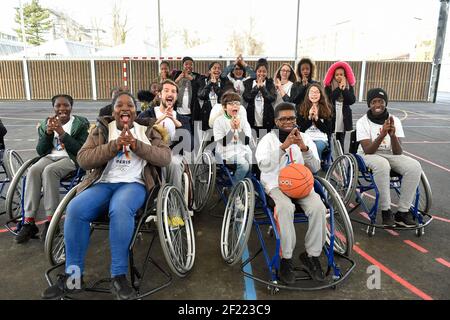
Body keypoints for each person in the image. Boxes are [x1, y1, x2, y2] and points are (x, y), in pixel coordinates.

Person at [41, 92, 171, 300]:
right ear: (113, 111)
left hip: (134, 184)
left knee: (119, 208)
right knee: (75, 208)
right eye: (120, 105)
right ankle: (73, 277)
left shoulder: (148, 131)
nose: (125, 108)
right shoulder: (101, 130)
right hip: (103, 184)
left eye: (130, 105)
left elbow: (165, 157)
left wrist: (137, 145)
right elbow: (83, 159)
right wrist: (114, 146)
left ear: (135, 112)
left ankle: (118, 276)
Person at [255, 102, 326, 284]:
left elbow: (316, 167)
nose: (288, 121)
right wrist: (283, 147)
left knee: (318, 207)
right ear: (276, 121)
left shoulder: (305, 138)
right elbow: (263, 166)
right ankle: (285, 259)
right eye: (283, 119)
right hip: (276, 184)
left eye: (291, 118)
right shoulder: (267, 139)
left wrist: (304, 149)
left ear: (296, 119)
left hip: (300, 185)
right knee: (285, 208)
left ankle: (311, 255)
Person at [16, 95, 90, 244]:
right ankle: (29, 221)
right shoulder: (46, 123)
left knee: (50, 171)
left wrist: (61, 133)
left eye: (66, 105)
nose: (62, 109)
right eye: (58, 106)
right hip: (51, 156)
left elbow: (80, 150)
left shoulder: (80, 124)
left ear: (71, 107)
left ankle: (51, 221)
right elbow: (41, 151)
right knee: (33, 170)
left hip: (70, 159)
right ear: (54, 107)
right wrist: (48, 134)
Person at [356, 88, 421, 228]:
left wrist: (392, 135)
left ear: (385, 103)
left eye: (381, 101)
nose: (377, 104)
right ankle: (386, 210)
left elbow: (398, 152)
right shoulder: (362, 122)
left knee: (415, 166)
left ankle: (402, 212)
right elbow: (368, 150)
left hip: (390, 155)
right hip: (368, 155)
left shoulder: (394, 120)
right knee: (382, 164)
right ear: (369, 104)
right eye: (374, 102)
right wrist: (382, 134)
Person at [138, 79, 190, 191]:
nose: (170, 94)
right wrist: (160, 119)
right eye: (166, 91)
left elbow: (189, 145)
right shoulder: (147, 114)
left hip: (172, 153)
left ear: (176, 96)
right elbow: (139, 132)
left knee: (174, 163)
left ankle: (175, 201)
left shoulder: (182, 119)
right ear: (160, 95)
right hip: (150, 152)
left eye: (173, 91)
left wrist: (176, 123)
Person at [213, 91, 252, 184]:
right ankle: (234, 190)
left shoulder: (243, 120)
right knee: (244, 165)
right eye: (230, 104)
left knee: (252, 162)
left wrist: (238, 128)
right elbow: (223, 143)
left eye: (237, 103)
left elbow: (246, 141)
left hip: (243, 149)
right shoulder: (218, 121)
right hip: (226, 152)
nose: (235, 106)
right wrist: (231, 130)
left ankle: (245, 186)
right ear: (224, 107)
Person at [324, 61, 356, 152]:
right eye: (337, 74)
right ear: (333, 75)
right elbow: (329, 100)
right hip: (333, 114)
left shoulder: (349, 85)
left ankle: (342, 159)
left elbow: (351, 101)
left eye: (341, 74)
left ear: (345, 75)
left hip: (344, 115)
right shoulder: (329, 86)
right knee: (331, 138)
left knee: (342, 139)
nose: (339, 76)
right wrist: (339, 88)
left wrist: (344, 89)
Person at [297, 83, 333, 160]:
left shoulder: (327, 109)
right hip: (306, 138)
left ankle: (315, 169)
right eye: (312, 92)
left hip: (321, 139)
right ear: (308, 94)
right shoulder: (302, 108)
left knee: (316, 147)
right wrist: (310, 118)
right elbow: (300, 129)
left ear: (321, 94)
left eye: (316, 92)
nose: (314, 94)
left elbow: (328, 131)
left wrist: (317, 119)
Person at [243, 59, 277, 133]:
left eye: (264, 71)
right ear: (256, 72)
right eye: (259, 71)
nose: (261, 73)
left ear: (267, 72)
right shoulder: (249, 82)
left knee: (264, 141)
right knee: (251, 141)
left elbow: (271, 98)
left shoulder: (270, 83)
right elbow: (246, 97)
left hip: (267, 120)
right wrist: (256, 88)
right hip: (251, 118)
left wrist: (262, 88)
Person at [196, 61, 231, 130]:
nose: (217, 70)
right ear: (209, 71)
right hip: (206, 113)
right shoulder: (203, 80)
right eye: (214, 68)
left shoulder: (225, 81)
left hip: (220, 114)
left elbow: (224, 97)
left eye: (219, 68)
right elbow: (201, 95)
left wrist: (215, 85)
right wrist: (209, 84)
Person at [171, 57, 201, 126]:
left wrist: (192, 79)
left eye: (191, 64)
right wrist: (178, 79)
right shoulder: (177, 74)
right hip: (178, 109)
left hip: (192, 110)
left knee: (191, 132)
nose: (188, 66)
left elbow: (199, 90)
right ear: (183, 65)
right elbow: (170, 86)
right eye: (186, 64)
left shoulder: (197, 76)